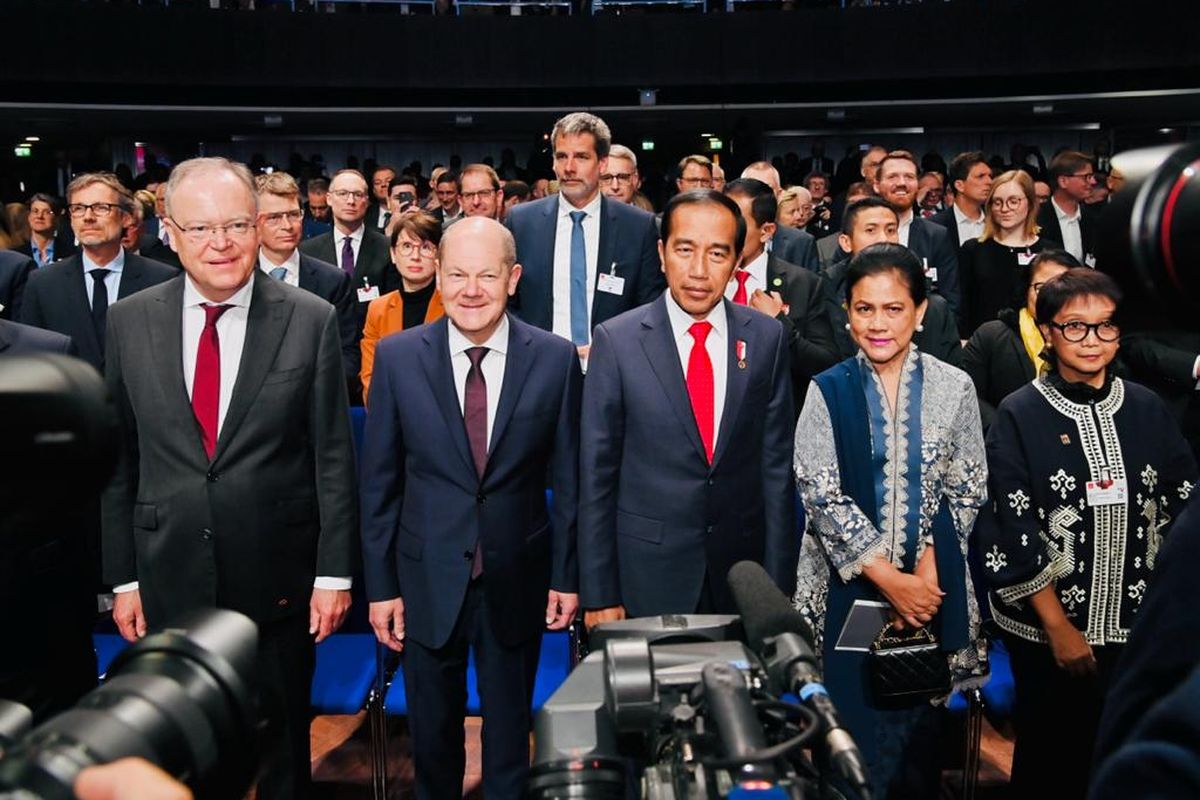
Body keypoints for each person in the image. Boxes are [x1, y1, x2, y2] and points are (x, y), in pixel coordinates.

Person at [102, 157, 359, 800]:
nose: (221, 243)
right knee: (189, 757)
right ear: (168, 231)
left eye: (237, 224)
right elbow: (118, 458)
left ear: (258, 225)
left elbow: (331, 456)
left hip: (278, 581)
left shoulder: (309, 318)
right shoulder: (129, 321)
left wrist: (333, 574)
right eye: (202, 228)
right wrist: (123, 577)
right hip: (168, 577)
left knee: (281, 764)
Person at [360, 217, 580, 800]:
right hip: (425, 579)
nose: (471, 289)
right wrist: (381, 586)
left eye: (487, 275)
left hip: (518, 576)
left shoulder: (554, 359)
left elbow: (574, 481)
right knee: (433, 745)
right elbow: (379, 484)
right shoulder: (398, 357)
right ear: (436, 273)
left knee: (510, 742)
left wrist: (566, 575)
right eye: (456, 274)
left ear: (513, 278)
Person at [978, 268, 1198, 800]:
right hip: (1048, 635)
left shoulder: (1147, 407)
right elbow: (1012, 526)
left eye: (1105, 327)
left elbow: (1182, 503)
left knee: (1120, 764)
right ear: (1046, 330)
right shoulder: (1019, 412)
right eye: (1075, 327)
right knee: (1052, 764)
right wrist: (1058, 628)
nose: (1092, 340)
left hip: (1136, 635)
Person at [793, 242, 988, 798]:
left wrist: (925, 574)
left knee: (917, 749)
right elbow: (820, 493)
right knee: (850, 751)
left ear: (921, 312)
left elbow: (968, 485)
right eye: (864, 309)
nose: (878, 324)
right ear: (847, 314)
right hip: (847, 593)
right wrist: (890, 580)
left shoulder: (956, 388)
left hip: (933, 594)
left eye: (894, 308)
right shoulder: (826, 389)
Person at [578, 189, 797, 624]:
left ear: (737, 261)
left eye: (718, 253)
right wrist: (600, 591)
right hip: (647, 575)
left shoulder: (765, 338)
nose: (699, 271)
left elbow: (776, 470)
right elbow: (596, 476)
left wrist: (774, 586)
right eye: (684, 250)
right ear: (661, 254)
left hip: (741, 575)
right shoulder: (617, 341)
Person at [506, 112, 663, 361]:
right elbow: (508, 301)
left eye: (581, 157)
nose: (569, 168)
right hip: (538, 365)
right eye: (561, 157)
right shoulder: (522, 221)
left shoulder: (638, 227)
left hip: (615, 366)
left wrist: (614, 351)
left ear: (601, 164)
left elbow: (649, 308)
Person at [19, 172, 175, 371]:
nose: (88, 217)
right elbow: (33, 359)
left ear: (126, 217)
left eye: (101, 208)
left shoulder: (162, 280)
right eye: (78, 209)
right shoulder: (42, 284)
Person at [724, 178, 837, 413]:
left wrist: (779, 324)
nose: (724, 233)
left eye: (735, 224)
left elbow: (825, 364)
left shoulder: (803, 284)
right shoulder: (704, 281)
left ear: (766, 231)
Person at [823, 197, 963, 367]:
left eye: (891, 230)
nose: (883, 238)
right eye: (871, 230)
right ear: (846, 242)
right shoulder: (824, 293)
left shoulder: (932, 306)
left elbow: (954, 374)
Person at [254, 171, 359, 391]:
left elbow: (347, 356)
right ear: (254, 222)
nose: (287, 225)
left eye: (294, 214)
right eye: (274, 217)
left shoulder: (333, 281)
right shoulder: (238, 280)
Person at [961, 250, 1075, 429]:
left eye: (1062, 289)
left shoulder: (1090, 341)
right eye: (1041, 287)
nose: (1050, 297)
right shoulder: (992, 335)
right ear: (1026, 289)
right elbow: (964, 394)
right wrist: (1006, 428)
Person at [958, 169, 1059, 335]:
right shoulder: (973, 250)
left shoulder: (1050, 252)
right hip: (985, 345)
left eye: (1013, 201)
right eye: (997, 202)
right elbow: (963, 305)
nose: (1004, 209)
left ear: (1030, 203)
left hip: (1039, 346)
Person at [359, 211, 445, 402]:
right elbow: (370, 377)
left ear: (438, 255)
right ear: (393, 254)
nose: (415, 256)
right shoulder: (378, 309)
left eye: (425, 247)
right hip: (390, 415)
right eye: (406, 246)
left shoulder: (452, 307)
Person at [873, 150, 961, 322]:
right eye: (892, 177)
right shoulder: (860, 232)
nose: (902, 183)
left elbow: (951, 302)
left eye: (909, 177)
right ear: (876, 185)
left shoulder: (937, 235)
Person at [740, 160, 819, 271]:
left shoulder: (802, 243)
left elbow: (810, 286)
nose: (759, 197)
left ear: (780, 194)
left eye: (767, 190)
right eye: (751, 190)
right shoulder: (726, 238)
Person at [1036, 150, 1098, 265]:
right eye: (1086, 177)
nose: (1093, 182)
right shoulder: (1036, 218)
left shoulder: (1092, 219)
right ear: (1063, 181)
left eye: (1092, 176)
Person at [930, 151, 993, 246]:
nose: (989, 181)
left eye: (990, 176)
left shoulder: (997, 222)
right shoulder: (935, 226)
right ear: (959, 186)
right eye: (980, 176)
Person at [365, 164, 396, 231]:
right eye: (377, 183)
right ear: (373, 190)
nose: (383, 185)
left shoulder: (407, 212)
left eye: (388, 181)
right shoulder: (365, 215)